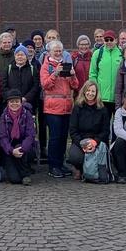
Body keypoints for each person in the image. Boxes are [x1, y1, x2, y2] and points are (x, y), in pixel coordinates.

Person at [40, 40, 79, 178]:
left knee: (63, 138)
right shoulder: (46, 66)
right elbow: (45, 84)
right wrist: (55, 74)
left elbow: (75, 85)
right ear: (49, 52)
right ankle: (53, 166)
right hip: (52, 108)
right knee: (55, 138)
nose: (58, 53)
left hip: (66, 107)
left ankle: (61, 163)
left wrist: (73, 75)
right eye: (55, 51)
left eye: (60, 51)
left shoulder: (66, 65)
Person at [68, 81, 109, 182]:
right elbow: (73, 130)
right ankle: (80, 169)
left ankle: (94, 171)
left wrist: (95, 142)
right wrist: (82, 144)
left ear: (97, 93)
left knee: (95, 154)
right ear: (84, 91)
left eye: (93, 91)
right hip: (81, 140)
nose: (90, 93)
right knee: (74, 157)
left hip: (96, 140)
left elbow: (105, 131)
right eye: (88, 90)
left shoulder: (102, 109)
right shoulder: (77, 107)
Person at [0, 89, 36, 185]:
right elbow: (3, 137)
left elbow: (30, 135)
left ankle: (25, 175)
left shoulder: (27, 114)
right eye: (11, 101)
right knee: (14, 179)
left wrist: (22, 148)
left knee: (19, 148)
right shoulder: (4, 116)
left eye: (17, 101)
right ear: (8, 103)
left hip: (24, 147)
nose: (14, 104)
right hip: (9, 148)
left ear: (21, 102)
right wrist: (11, 150)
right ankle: (16, 170)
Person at [88, 30, 122, 118]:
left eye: (111, 39)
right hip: (102, 98)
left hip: (118, 98)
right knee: (103, 124)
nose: (109, 42)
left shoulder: (121, 53)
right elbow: (93, 74)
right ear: (104, 41)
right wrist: (96, 92)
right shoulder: (97, 54)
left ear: (116, 40)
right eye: (106, 40)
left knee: (118, 124)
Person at [0, 44, 40, 111]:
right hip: (11, 104)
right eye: (18, 55)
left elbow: (35, 86)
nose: (20, 57)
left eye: (22, 55)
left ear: (26, 57)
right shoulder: (8, 69)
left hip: (28, 103)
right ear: (15, 56)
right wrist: (12, 98)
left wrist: (26, 98)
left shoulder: (33, 69)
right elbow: (3, 86)